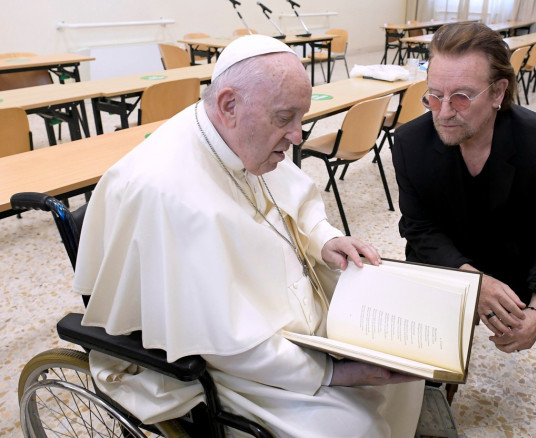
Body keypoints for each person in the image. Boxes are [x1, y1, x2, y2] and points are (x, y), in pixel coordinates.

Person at [73, 35, 424, 437]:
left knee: (403, 360)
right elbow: (221, 341)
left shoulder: (238, 135)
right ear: (228, 106)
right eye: (284, 118)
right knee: (354, 429)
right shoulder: (166, 194)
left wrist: (325, 238)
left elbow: (294, 200)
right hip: (227, 360)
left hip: (282, 313)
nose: (297, 137)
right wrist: (332, 373)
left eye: (301, 119)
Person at [391, 22, 536, 437]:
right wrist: (471, 281)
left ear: (498, 92)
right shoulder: (409, 143)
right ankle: (417, 422)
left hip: (532, 259)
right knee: (408, 338)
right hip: (452, 265)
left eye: (461, 97)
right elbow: (420, 231)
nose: (443, 112)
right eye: (434, 95)